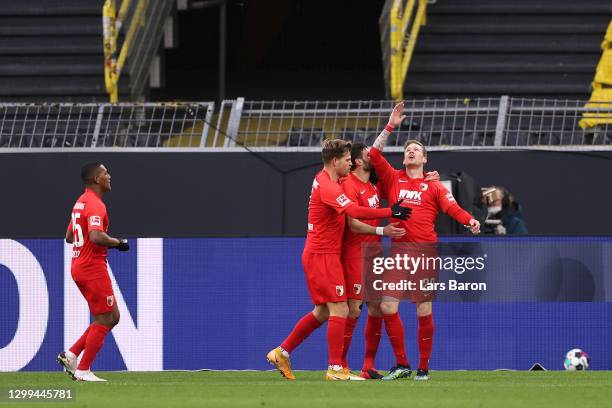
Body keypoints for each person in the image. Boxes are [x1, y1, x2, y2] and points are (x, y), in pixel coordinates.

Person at [266, 139, 412, 381]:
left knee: (323, 311)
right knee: (341, 309)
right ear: (335, 161)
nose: (349, 163)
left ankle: (282, 352)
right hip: (322, 254)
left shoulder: (330, 180)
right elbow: (353, 212)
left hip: (326, 253)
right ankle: (335, 368)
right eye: (346, 160)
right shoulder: (329, 187)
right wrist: (390, 212)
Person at [367, 102, 480, 381]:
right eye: (407, 149)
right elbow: (372, 153)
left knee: (423, 308)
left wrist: (470, 220)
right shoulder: (394, 178)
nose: (410, 150)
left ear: (425, 158)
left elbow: (453, 208)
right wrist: (390, 125)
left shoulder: (434, 185)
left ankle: (423, 368)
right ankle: (402, 364)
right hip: (399, 253)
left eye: (416, 149)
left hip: (426, 253)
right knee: (387, 306)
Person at [338, 142, 439, 380]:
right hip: (354, 253)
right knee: (352, 309)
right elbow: (353, 223)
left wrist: (428, 178)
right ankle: (338, 365)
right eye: (366, 155)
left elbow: (406, 189)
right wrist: (384, 229)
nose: (371, 157)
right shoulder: (347, 183)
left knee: (377, 307)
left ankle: (368, 366)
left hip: (374, 254)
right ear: (360, 161)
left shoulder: (375, 186)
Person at [56, 163, 129, 382]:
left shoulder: (80, 203)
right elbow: (96, 236)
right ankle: (83, 370)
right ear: (96, 179)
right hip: (92, 268)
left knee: (112, 316)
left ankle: (71, 355)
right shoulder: (96, 205)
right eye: (106, 173)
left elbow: (69, 236)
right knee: (105, 318)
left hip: (80, 266)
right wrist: (118, 243)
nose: (109, 176)